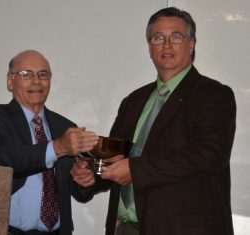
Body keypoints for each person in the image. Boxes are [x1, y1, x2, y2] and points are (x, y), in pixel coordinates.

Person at [71, 7, 236, 235]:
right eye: (158, 38)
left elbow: (209, 155)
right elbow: (117, 159)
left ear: (191, 44)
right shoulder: (133, 101)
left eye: (176, 37)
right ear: (150, 48)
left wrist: (135, 170)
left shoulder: (214, 95)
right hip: (125, 228)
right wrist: (90, 176)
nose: (166, 45)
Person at [0, 50, 99, 235]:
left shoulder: (65, 127)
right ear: (10, 81)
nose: (36, 81)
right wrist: (57, 147)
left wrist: (83, 181)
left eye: (43, 74)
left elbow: (80, 194)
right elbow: (0, 162)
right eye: (26, 74)